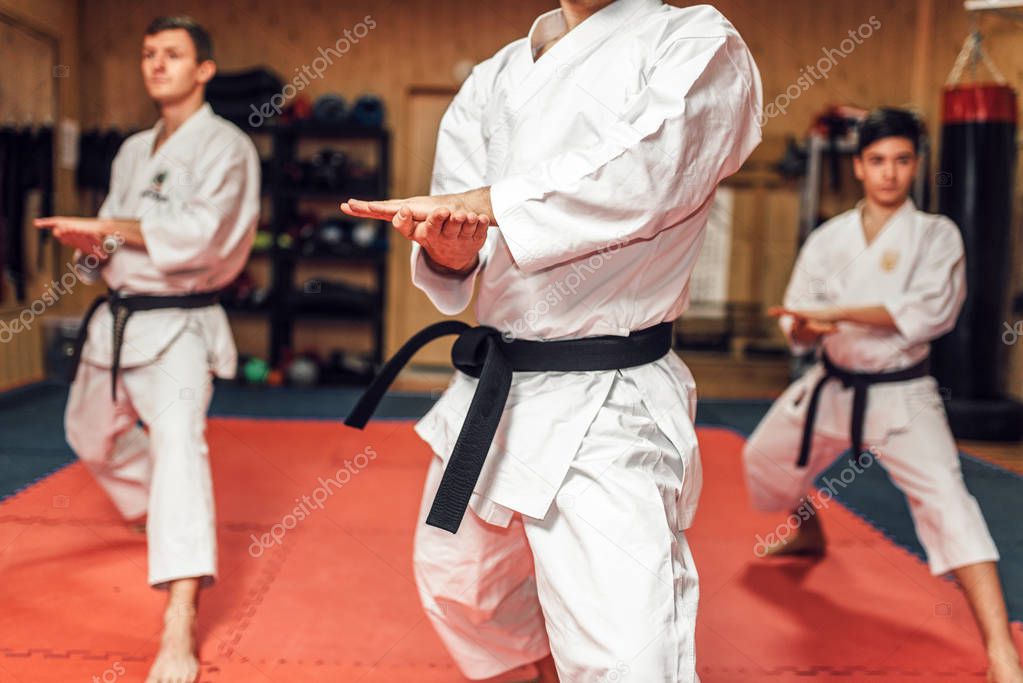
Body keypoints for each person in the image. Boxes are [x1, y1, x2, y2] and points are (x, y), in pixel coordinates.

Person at [340, 1, 763, 680]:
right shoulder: (495, 75)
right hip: (494, 390)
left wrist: (490, 203)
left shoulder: (694, 40)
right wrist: (451, 250)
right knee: (463, 589)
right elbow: (462, 235)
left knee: (626, 652)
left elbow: (649, 174)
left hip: (608, 394)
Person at [742, 107, 1023, 683]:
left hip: (903, 395)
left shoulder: (936, 236)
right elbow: (796, 320)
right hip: (831, 385)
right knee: (761, 459)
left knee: (949, 503)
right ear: (859, 167)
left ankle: (1001, 651)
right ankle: (807, 523)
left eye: (901, 160)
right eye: (877, 161)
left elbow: (922, 316)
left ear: (916, 166)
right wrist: (803, 328)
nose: (889, 173)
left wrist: (835, 313)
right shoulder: (829, 238)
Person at [34, 16, 260, 683]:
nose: (156, 64)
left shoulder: (225, 147)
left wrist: (107, 227)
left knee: (178, 452)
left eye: (172, 54)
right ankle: (154, 511)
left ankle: (180, 613)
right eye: (147, 54)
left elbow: (201, 236)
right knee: (87, 435)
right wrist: (87, 243)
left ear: (204, 69)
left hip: (180, 327)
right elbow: (115, 234)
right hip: (119, 319)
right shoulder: (133, 150)